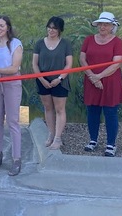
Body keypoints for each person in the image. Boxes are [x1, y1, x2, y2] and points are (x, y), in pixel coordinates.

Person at [79, 11, 122, 157]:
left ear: (112, 26)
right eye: (101, 24)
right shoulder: (88, 40)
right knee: (92, 111)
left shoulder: (117, 42)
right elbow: (82, 59)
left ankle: (111, 144)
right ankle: (93, 140)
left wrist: (99, 76)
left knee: (110, 113)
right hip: (91, 81)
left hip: (110, 82)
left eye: (106, 24)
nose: (103, 27)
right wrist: (92, 77)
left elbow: (116, 63)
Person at [0, 15, 23, 176]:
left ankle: (16, 159)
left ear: (8, 27)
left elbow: (14, 68)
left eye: (1, 25)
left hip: (11, 84)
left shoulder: (16, 44)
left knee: (13, 121)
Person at [32, 17, 73, 150]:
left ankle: (58, 138)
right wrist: (42, 79)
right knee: (48, 108)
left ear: (60, 30)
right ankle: (51, 133)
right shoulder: (39, 43)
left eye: (54, 28)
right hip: (43, 80)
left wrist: (60, 78)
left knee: (60, 109)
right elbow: (35, 63)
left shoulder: (65, 44)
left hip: (60, 81)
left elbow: (69, 64)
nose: (51, 30)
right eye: (49, 27)